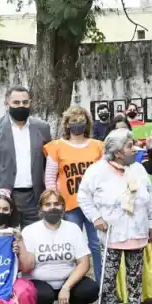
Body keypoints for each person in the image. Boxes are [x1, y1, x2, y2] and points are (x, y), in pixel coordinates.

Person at [76, 129, 152, 304]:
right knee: (109, 273)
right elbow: (83, 197)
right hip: (111, 231)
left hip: (137, 229)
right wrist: (96, 218)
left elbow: (149, 199)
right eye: (129, 147)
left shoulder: (138, 169)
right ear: (118, 152)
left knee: (135, 272)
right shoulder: (97, 171)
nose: (134, 150)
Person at [17, 190, 100, 304]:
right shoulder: (30, 231)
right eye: (47, 204)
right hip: (39, 283)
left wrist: (67, 287)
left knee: (91, 289)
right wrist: (21, 245)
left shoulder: (73, 229)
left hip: (67, 281)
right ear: (40, 209)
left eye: (56, 204)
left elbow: (84, 263)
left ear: (63, 207)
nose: (52, 207)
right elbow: (26, 268)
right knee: (43, 296)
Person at [44, 106, 104, 280]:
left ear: (87, 123)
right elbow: (50, 178)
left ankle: (103, 286)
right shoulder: (56, 147)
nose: (78, 124)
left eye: (81, 120)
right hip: (69, 205)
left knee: (97, 245)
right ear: (67, 124)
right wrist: (54, 202)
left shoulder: (98, 146)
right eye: (73, 121)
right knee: (71, 246)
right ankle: (72, 285)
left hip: (94, 206)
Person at [0, 86, 52, 226]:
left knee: (33, 240)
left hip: (34, 196)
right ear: (7, 104)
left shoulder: (42, 128)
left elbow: (46, 161)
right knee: (5, 239)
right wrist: (0, 179)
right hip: (3, 197)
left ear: (30, 102)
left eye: (25, 102)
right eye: (16, 103)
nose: (21, 106)